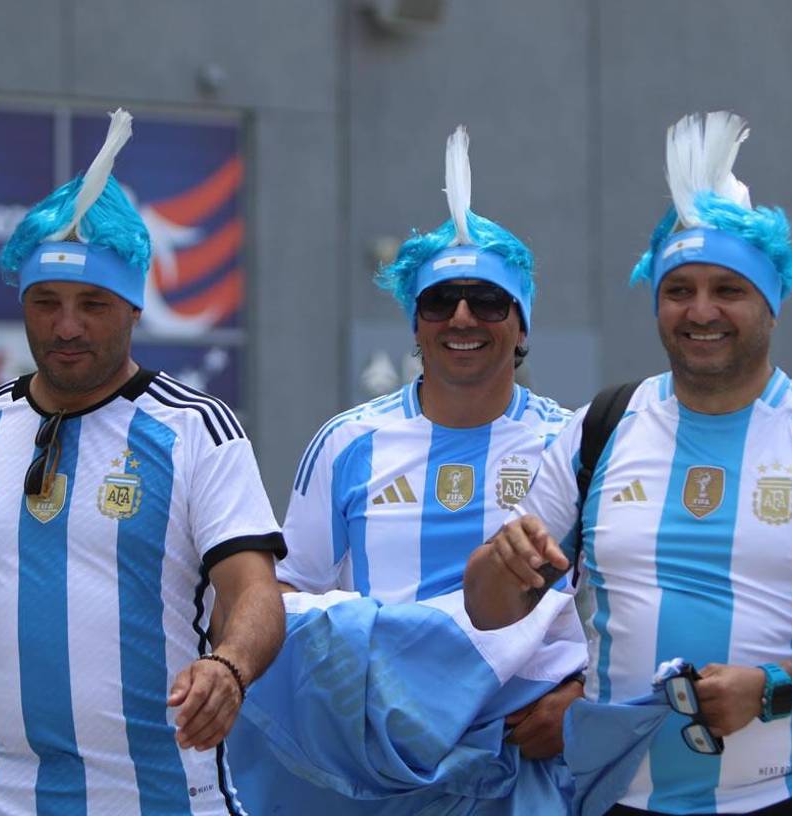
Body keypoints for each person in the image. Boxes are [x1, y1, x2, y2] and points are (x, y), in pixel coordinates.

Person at [464, 112, 792, 815]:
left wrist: (771, 689)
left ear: (770, 303)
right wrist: (500, 561)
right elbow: (493, 610)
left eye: (728, 290)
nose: (700, 310)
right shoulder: (601, 428)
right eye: (679, 290)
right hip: (622, 799)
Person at [0, 110, 286, 816]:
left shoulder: (196, 429)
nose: (66, 325)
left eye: (92, 304)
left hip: (164, 798)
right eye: (45, 302)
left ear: (134, 308)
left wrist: (230, 665)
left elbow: (254, 592)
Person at [245, 126, 577, 811]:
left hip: (524, 768)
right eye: (439, 300)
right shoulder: (348, 441)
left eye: (487, 300)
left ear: (520, 324)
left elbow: (615, 604)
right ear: (416, 323)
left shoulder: (571, 443)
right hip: (378, 776)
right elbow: (286, 595)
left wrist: (582, 698)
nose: (462, 316)